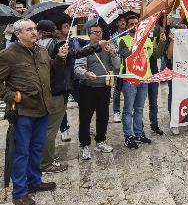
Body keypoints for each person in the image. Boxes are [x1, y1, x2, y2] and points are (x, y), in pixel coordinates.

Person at [0, 19, 68, 205]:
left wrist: (60, 58)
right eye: (28, 29)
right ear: (18, 34)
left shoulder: (41, 51)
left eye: (34, 29)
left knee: (37, 148)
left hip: (43, 108)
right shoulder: (8, 55)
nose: (33, 32)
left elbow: (52, 71)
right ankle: (19, 194)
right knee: (21, 152)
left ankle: (34, 182)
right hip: (23, 111)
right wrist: (11, 95)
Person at [36, 20, 105, 174]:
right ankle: (46, 163)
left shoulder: (37, 46)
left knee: (45, 128)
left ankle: (43, 158)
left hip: (46, 91)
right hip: (56, 91)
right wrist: (97, 46)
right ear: (54, 30)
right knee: (51, 129)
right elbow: (77, 54)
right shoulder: (57, 44)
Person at [118, 14, 165, 149]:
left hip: (145, 78)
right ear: (127, 27)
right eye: (131, 24)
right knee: (128, 110)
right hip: (130, 79)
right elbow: (126, 55)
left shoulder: (147, 40)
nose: (135, 26)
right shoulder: (123, 39)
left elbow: (155, 55)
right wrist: (138, 43)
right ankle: (128, 136)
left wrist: (162, 42)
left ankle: (138, 133)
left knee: (139, 108)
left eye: (136, 23)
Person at [73, 24, 120, 160]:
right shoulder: (84, 50)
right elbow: (77, 69)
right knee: (85, 118)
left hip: (104, 88)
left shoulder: (107, 48)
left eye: (100, 32)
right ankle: (84, 145)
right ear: (89, 34)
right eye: (95, 32)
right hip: (88, 88)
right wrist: (86, 73)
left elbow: (117, 66)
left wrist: (112, 53)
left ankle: (100, 141)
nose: (98, 35)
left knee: (103, 117)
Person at [109, 17, 127, 123]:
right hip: (118, 64)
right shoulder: (113, 36)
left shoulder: (130, 34)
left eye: (124, 20)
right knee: (117, 89)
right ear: (117, 23)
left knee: (129, 89)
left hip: (129, 64)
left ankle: (128, 110)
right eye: (120, 21)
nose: (123, 22)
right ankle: (116, 112)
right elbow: (113, 50)